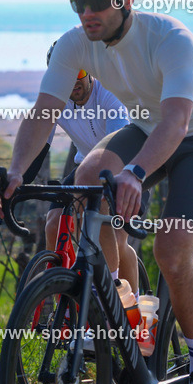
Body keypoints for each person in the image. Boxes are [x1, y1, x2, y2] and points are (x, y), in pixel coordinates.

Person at [0, 0, 193, 384]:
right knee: (84, 181)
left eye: (98, 2)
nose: (87, 13)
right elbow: (44, 111)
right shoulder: (75, 43)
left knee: (172, 252)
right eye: (78, 2)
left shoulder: (170, 39)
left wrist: (136, 173)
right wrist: (17, 171)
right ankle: (119, 311)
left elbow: (178, 121)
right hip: (144, 127)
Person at [21, 42, 149, 293]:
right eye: (65, 75)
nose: (73, 81)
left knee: (117, 236)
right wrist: (18, 182)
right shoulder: (55, 99)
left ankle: (127, 311)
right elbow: (37, 147)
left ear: (90, 71)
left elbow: (120, 147)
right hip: (85, 166)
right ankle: (64, 309)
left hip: (128, 165)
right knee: (54, 224)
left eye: (78, 73)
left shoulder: (110, 92)